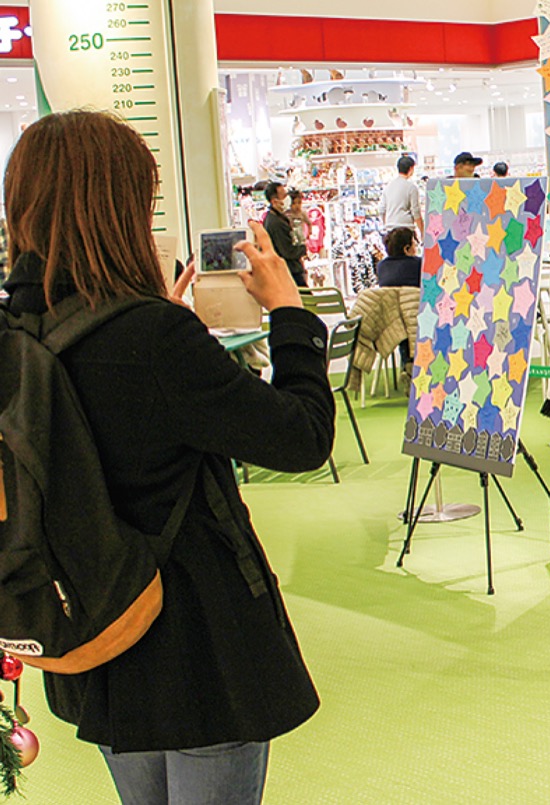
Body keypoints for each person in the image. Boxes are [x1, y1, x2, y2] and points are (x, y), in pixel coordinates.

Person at [2, 110, 334, 803]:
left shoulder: (16, 334)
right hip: (199, 639)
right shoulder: (154, 338)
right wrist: (290, 313)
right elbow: (302, 437)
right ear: (116, 209)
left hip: (87, 627)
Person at [263, 181, 308, 287]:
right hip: (288, 273)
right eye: (284, 195)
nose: (288, 198)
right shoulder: (275, 223)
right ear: (274, 201)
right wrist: (303, 249)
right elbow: (288, 251)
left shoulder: (278, 218)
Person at [380, 155, 423, 238]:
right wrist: (422, 232)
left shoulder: (388, 187)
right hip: (406, 228)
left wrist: (387, 224)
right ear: (411, 169)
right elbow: (416, 212)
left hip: (391, 230)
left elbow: (382, 210)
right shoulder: (411, 187)